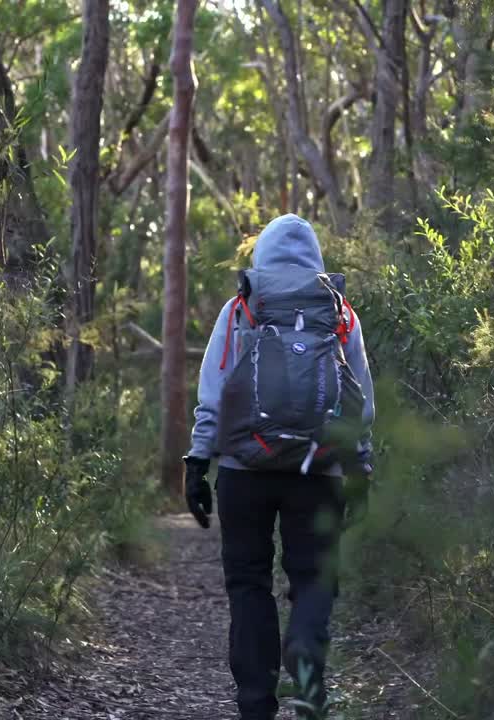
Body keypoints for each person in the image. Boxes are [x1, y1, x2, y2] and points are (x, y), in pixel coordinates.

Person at [182, 214, 375, 720]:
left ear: (260, 253)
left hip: (244, 470)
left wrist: (198, 461)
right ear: (315, 255)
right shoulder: (338, 311)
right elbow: (361, 402)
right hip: (320, 469)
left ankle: (255, 706)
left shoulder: (241, 306)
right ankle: (308, 681)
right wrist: (361, 470)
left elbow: (214, 391)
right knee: (313, 581)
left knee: (248, 584)